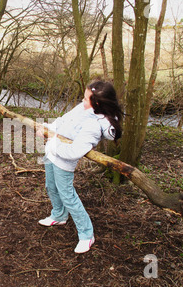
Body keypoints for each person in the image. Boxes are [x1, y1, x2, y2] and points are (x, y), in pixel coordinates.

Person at [36, 80, 123, 253]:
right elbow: (64, 120)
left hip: (63, 160)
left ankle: (86, 234)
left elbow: (74, 151)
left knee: (67, 195)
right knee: (50, 186)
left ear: (97, 104)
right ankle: (59, 215)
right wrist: (48, 128)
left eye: (85, 99)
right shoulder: (83, 107)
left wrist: (52, 142)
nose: (82, 101)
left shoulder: (93, 125)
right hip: (52, 153)